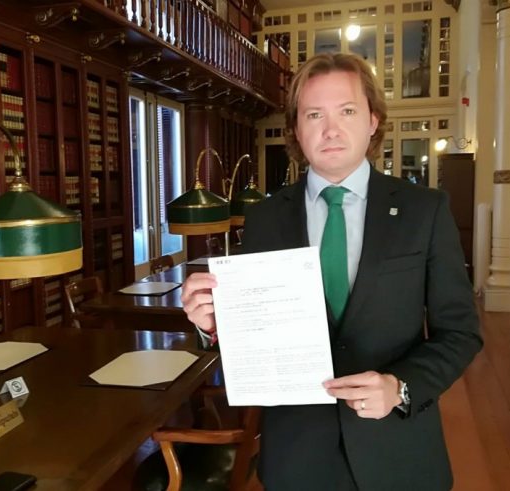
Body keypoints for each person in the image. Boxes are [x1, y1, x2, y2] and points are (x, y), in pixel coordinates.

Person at [180, 53, 483, 490]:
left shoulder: (424, 210)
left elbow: (461, 331)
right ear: (297, 129)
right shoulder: (264, 218)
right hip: (298, 454)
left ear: (373, 120)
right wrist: (214, 324)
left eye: (347, 111)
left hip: (398, 451)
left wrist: (400, 386)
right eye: (314, 114)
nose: (330, 128)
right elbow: (257, 332)